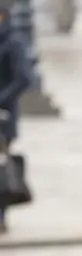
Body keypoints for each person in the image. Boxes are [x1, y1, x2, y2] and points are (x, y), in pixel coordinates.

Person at [0, 5, 31, 234]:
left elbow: (23, 77)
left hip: (3, 115)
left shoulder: (14, 42)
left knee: (1, 167)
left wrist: (2, 100)